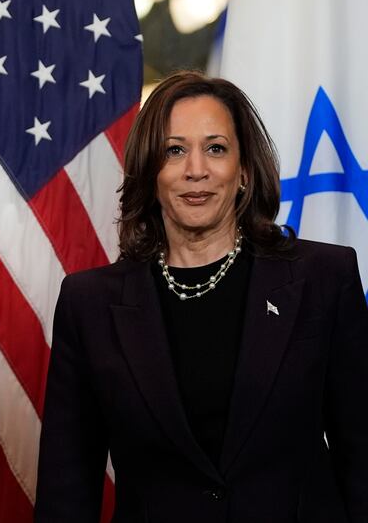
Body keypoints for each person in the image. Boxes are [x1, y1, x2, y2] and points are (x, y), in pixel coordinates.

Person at [34, 71, 368, 522]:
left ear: (244, 170)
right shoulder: (88, 304)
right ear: (150, 172)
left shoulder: (324, 279)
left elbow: (361, 457)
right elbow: (66, 491)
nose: (196, 170)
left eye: (216, 148)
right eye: (174, 151)